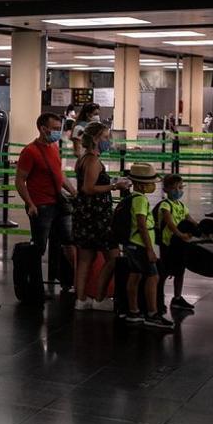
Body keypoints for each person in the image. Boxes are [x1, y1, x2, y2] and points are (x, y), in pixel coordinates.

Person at [72, 122, 129, 311]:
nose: (108, 141)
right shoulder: (94, 161)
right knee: (113, 256)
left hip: (84, 215)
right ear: (96, 139)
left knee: (85, 258)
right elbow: (88, 188)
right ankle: (100, 297)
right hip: (97, 216)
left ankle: (80, 299)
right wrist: (115, 186)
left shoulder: (83, 158)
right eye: (105, 137)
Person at [15, 112, 78, 283]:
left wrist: (73, 192)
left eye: (60, 128)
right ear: (43, 129)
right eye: (55, 129)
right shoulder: (30, 151)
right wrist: (30, 204)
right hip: (41, 206)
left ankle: (72, 279)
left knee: (69, 241)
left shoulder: (54, 147)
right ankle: (34, 284)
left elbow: (59, 175)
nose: (58, 132)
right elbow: (20, 181)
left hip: (59, 203)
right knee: (39, 246)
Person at [123, 164, 175, 329]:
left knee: (135, 275)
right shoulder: (140, 199)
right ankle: (152, 314)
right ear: (140, 184)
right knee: (153, 277)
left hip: (132, 244)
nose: (153, 185)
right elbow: (142, 225)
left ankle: (133, 311)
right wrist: (150, 249)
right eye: (151, 182)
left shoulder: (133, 198)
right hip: (140, 245)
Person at [155, 173, 197, 313]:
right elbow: (170, 224)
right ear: (166, 189)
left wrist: (201, 230)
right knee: (164, 271)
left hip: (180, 244)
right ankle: (157, 297)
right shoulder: (165, 205)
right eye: (173, 188)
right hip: (168, 244)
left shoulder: (182, 206)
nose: (178, 191)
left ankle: (177, 298)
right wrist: (181, 235)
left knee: (180, 271)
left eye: (180, 187)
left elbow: (190, 220)